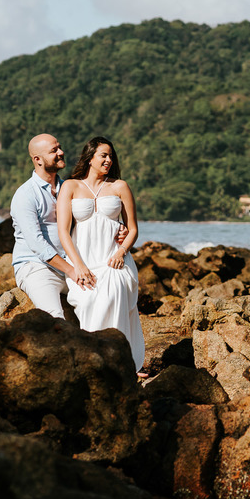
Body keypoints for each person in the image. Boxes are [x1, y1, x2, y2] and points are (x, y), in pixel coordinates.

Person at [56, 136, 146, 374]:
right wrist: (78, 266)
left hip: (114, 260)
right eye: (103, 155)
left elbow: (133, 228)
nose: (108, 160)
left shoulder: (119, 186)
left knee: (114, 293)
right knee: (87, 300)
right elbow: (63, 232)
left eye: (110, 156)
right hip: (83, 262)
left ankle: (122, 365)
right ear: (90, 158)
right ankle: (93, 361)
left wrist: (122, 250)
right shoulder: (70, 186)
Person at [9, 133, 96, 319]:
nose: (61, 152)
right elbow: (36, 244)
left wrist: (119, 230)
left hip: (72, 262)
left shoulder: (69, 187)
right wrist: (72, 271)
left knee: (100, 300)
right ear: (37, 160)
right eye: (54, 150)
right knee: (54, 317)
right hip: (36, 266)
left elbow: (92, 219)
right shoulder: (25, 194)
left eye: (60, 147)